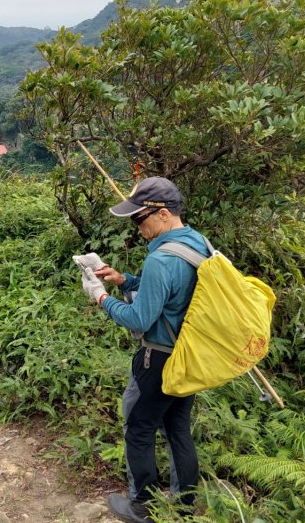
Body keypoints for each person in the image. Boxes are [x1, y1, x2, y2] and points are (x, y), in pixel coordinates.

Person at [80, 177, 206, 523]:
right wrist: (125, 281)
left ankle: (140, 507)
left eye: (140, 219)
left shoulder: (162, 259)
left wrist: (101, 297)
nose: (137, 228)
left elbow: (140, 315)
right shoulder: (196, 243)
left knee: (139, 427)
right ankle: (183, 508)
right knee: (178, 428)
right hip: (189, 355)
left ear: (163, 214)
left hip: (159, 357)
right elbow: (173, 295)